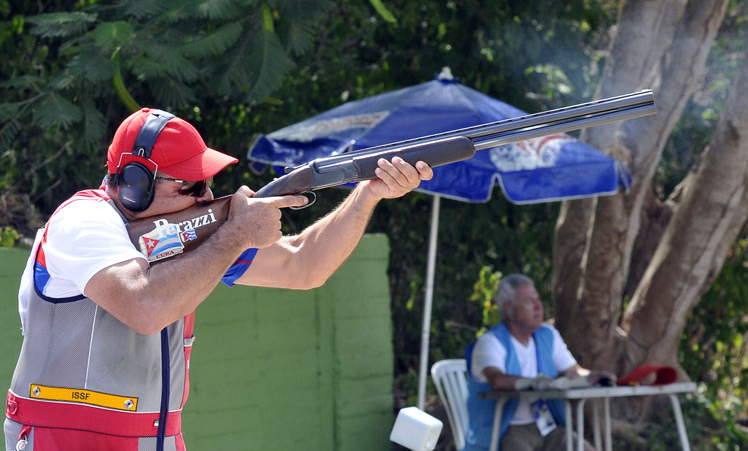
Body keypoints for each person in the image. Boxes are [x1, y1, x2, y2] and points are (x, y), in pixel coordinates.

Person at [3, 108, 433, 450]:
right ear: (134, 185)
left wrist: (368, 193)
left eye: (207, 183)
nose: (207, 197)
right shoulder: (83, 221)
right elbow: (145, 305)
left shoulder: (189, 242)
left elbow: (305, 265)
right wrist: (234, 235)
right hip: (66, 441)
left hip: (153, 438)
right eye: (190, 187)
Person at [465, 273, 613, 451]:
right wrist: (537, 383)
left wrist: (591, 376)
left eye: (538, 299)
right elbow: (498, 380)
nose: (538, 306)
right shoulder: (490, 342)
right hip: (508, 430)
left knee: (580, 446)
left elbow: (572, 370)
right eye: (529, 301)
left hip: (546, 426)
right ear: (509, 311)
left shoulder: (547, 335)